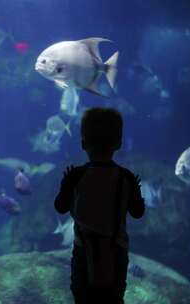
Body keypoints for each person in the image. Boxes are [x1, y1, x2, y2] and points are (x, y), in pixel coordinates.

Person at [54, 107, 145, 304]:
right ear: (119, 143)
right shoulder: (126, 177)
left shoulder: (76, 175)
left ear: (83, 143)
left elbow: (60, 207)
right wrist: (136, 191)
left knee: (83, 296)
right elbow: (138, 212)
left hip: (83, 250)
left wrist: (66, 185)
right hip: (116, 251)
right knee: (113, 298)